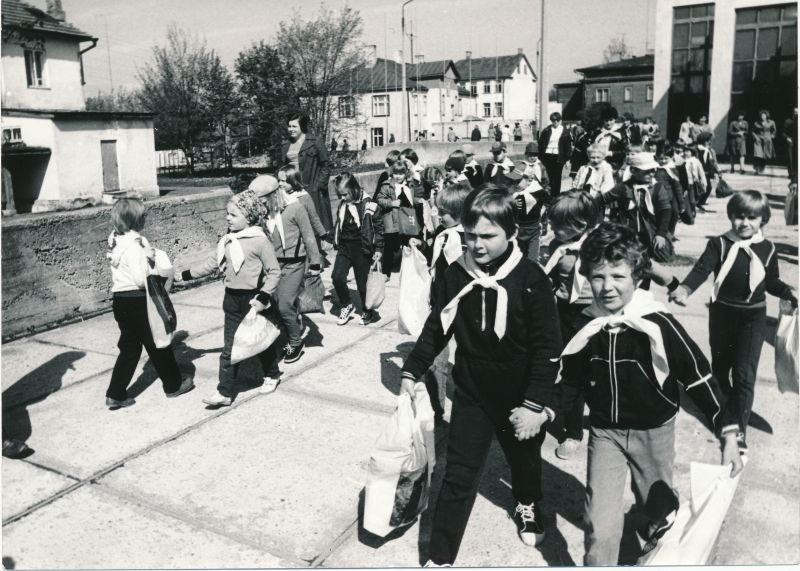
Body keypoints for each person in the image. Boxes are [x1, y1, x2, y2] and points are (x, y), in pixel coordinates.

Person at [559, 222, 743, 566]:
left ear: (638, 276)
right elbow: (569, 379)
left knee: (658, 515)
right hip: (606, 433)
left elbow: (699, 377)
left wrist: (728, 433)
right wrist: (550, 412)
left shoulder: (657, 322)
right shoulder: (585, 322)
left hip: (654, 431)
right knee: (599, 524)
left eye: (618, 276)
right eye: (598, 277)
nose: (607, 287)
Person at [400, 186, 563, 565]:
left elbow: (547, 350)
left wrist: (534, 403)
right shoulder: (456, 275)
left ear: (512, 233)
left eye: (487, 236)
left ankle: (527, 503)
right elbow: (436, 328)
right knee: (457, 472)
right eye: (470, 235)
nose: (476, 244)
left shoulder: (531, 279)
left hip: (520, 393)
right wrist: (413, 368)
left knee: (524, 461)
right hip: (473, 389)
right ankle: (440, 556)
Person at [668, 190, 797, 452]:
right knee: (720, 369)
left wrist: (788, 292)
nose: (745, 223)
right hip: (722, 315)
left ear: (763, 220)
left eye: (752, 217)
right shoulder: (719, 244)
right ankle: (723, 415)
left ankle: (738, 429)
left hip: (753, 317)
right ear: (731, 217)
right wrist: (684, 289)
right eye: (739, 216)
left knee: (744, 375)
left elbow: (770, 282)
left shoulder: (768, 248)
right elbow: (701, 269)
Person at [176, 190, 281, 405]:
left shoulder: (259, 241)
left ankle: (272, 374)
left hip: (254, 301)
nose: (227, 218)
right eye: (227, 214)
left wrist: (263, 296)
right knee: (230, 348)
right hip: (232, 300)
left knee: (259, 343)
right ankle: (224, 393)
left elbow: (274, 272)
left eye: (233, 215)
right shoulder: (227, 240)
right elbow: (212, 264)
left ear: (249, 216)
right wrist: (185, 275)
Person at [105, 197, 194, 410]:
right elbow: (139, 279)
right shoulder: (135, 247)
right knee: (158, 341)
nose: (146, 217)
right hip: (138, 300)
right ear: (136, 220)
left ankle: (115, 393)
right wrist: (150, 261)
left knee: (129, 348)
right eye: (144, 215)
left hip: (120, 300)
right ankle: (173, 385)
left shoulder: (115, 240)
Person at [540, 191, 599, 459]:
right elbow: (548, 279)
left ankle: (588, 424)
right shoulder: (557, 247)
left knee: (589, 372)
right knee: (565, 369)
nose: (552, 229)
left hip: (592, 315)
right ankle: (571, 429)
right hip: (562, 312)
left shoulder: (599, 245)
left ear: (581, 225)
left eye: (558, 225)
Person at [253, 175, 322, 365]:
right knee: (274, 304)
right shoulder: (262, 213)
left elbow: (309, 236)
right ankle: (290, 326)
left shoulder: (295, 207)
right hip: (272, 266)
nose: (259, 204)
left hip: (295, 263)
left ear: (274, 195)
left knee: (284, 304)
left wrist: (315, 263)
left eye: (262, 200)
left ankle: (296, 342)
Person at [424, 182, 472, 419]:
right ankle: (437, 409)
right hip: (440, 306)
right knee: (435, 362)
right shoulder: (442, 235)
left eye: (443, 212)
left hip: (465, 309)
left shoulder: (471, 240)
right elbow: (434, 263)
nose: (438, 215)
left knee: (468, 362)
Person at [330, 173, 384, 327]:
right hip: (345, 247)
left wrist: (379, 248)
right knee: (337, 277)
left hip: (361, 248)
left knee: (362, 284)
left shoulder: (368, 204)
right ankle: (346, 303)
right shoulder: (343, 204)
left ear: (354, 189)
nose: (342, 198)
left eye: (345, 194)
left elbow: (379, 227)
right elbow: (339, 224)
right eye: (340, 195)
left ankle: (368, 309)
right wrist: (334, 238)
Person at [281, 114, 333, 234]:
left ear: (302, 127)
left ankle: (318, 250)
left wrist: (319, 185)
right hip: (291, 189)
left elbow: (326, 165)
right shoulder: (285, 145)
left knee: (316, 223)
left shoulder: (315, 142)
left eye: (294, 126)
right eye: (289, 126)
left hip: (311, 188)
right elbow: (281, 169)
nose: (291, 129)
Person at [374, 159, 424, 278]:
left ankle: (409, 270)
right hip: (392, 220)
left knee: (408, 244)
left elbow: (411, 199)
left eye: (401, 173)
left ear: (406, 173)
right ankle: (386, 273)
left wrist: (418, 201)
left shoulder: (409, 185)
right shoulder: (387, 186)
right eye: (396, 173)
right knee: (389, 247)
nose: (398, 176)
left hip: (406, 219)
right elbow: (379, 199)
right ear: (392, 173)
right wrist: (391, 203)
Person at [277, 164, 328, 241]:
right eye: (279, 180)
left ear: (293, 181)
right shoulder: (280, 195)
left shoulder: (304, 196)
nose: (280, 184)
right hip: (287, 233)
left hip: (302, 234)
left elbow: (313, 217)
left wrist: (322, 233)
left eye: (283, 181)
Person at [538, 112, 572, 197]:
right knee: (549, 176)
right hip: (548, 155)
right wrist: (540, 156)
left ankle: (555, 195)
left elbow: (568, 146)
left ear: (560, 120)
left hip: (559, 157)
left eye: (557, 120)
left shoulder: (565, 131)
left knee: (557, 177)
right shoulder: (547, 130)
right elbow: (541, 143)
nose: (555, 122)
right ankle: (548, 195)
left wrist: (567, 159)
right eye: (553, 120)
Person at [591, 107, 626, 171]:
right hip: (598, 166)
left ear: (615, 119)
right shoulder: (598, 133)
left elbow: (626, 151)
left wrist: (611, 153)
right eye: (606, 120)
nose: (608, 123)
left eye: (611, 120)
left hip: (615, 166)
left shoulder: (621, 133)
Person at [695, 131, 720, 207]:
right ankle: (699, 202)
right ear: (704, 141)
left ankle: (699, 202)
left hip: (701, 171)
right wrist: (717, 171)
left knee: (704, 187)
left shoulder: (699, 148)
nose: (710, 142)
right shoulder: (705, 150)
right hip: (703, 171)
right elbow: (712, 162)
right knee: (706, 187)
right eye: (708, 140)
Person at [682, 145, 708, 214]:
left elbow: (701, 172)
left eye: (687, 151)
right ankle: (686, 212)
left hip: (692, 182)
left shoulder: (696, 161)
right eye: (684, 151)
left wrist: (704, 182)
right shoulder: (682, 160)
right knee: (684, 198)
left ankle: (693, 210)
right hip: (684, 182)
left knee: (692, 199)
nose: (685, 153)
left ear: (692, 152)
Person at [752, 109, 776, 175]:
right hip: (758, 140)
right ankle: (757, 168)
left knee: (764, 156)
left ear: (766, 116)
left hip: (767, 141)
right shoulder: (756, 123)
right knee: (757, 154)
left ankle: (761, 168)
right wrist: (755, 137)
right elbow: (753, 131)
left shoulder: (771, 122)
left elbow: (774, 131)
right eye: (762, 115)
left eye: (764, 115)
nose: (763, 117)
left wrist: (772, 136)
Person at [782, 108, 797, 179]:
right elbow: (783, 133)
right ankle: (791, 174)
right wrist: (787, 138)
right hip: (791, 140)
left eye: (797, 112)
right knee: (790, 158)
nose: (796, 114)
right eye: (795, 112)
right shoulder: (788, 121)